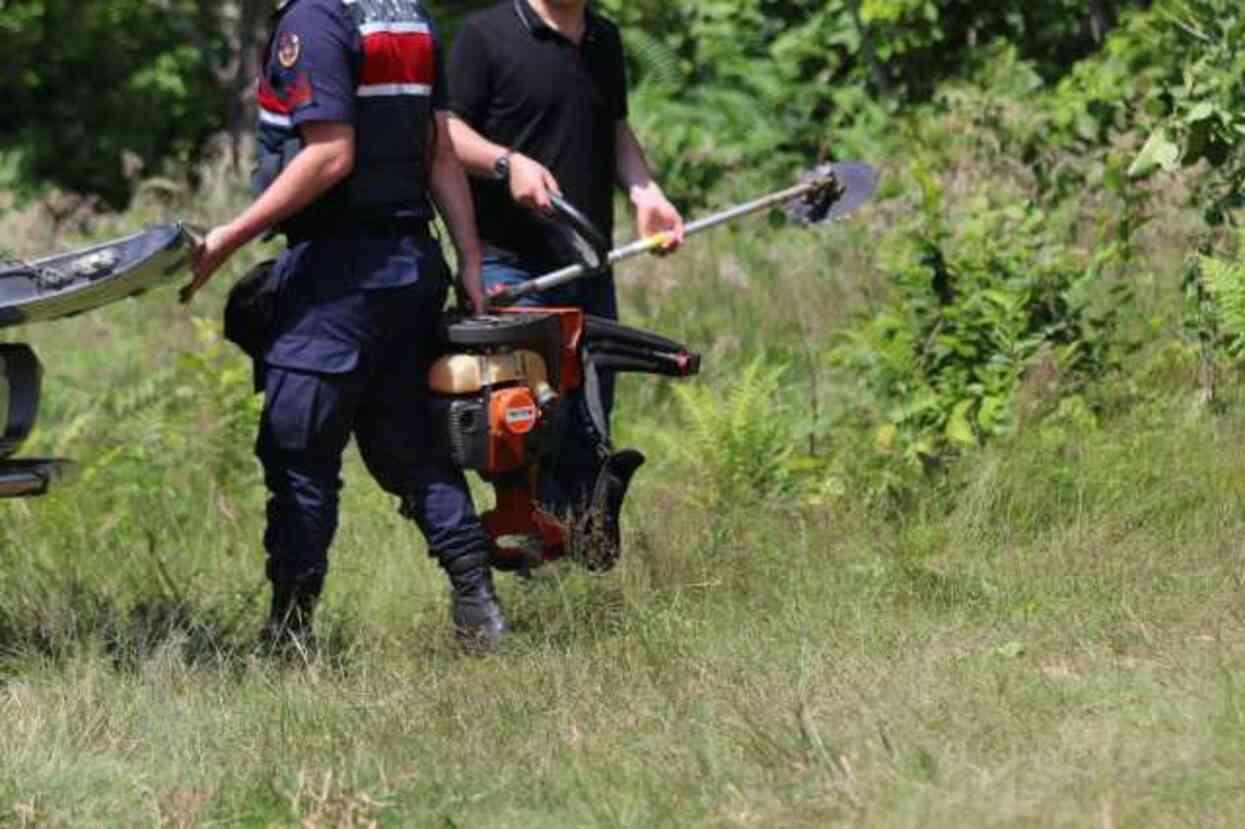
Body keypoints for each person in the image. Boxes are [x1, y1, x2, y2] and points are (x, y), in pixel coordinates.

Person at [186, 0, 507, 648]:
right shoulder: (406, 15)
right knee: (412, 448)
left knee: (297, 451)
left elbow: (330, 155)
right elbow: (436, 147)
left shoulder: (315, 20)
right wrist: (469, 259)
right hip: (410, 268)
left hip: (338, 277)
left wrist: (227, 238)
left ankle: (289, 633)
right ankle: (479, 605)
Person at [447, 0, 685, 525]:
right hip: (510, 267)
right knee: (525, 424)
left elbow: (616, 129)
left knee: (588, 427)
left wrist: (646, 194)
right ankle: (515, 545)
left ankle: (570, 563)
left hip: (588, 267)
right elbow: (445, 135)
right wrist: (506, 163)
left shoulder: (603, 38)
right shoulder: (484, 36)